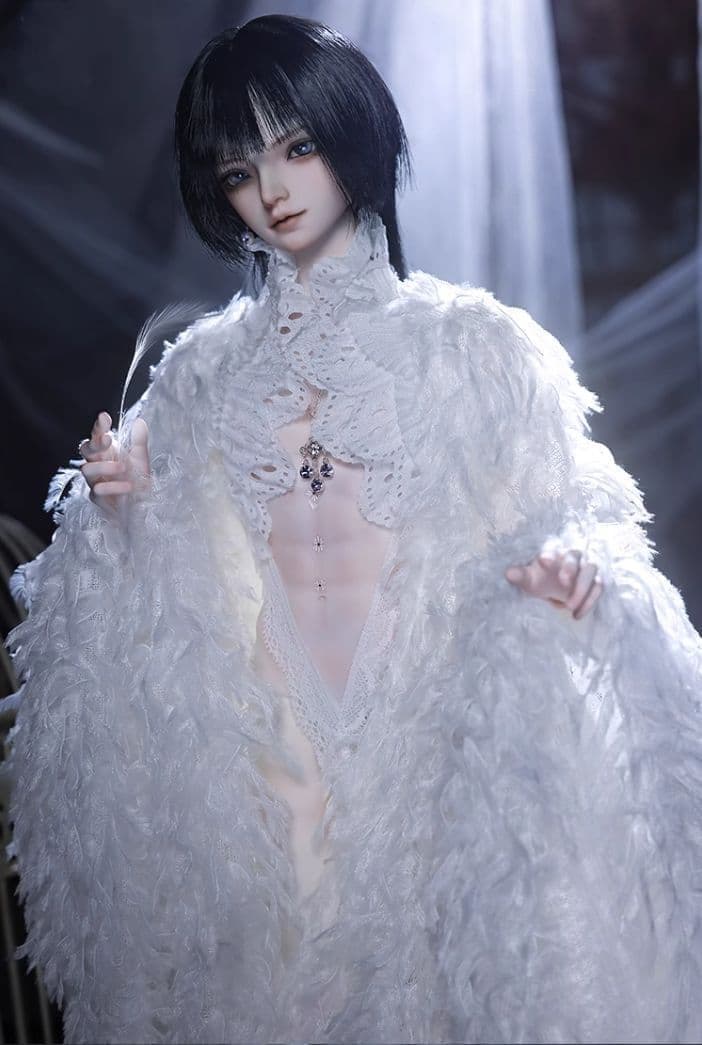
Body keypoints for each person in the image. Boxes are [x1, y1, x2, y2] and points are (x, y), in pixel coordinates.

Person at [4, 14, 702, 1045]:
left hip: (424, 740)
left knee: (435, 977)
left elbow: (578, 510)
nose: (273, 190)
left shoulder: (478, 348)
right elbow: (171, 610)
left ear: (352, 134)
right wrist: (124, 513)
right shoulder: (198, 377)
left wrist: (570, 566)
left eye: (297, 147)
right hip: (269, 770)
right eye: (239, 170)